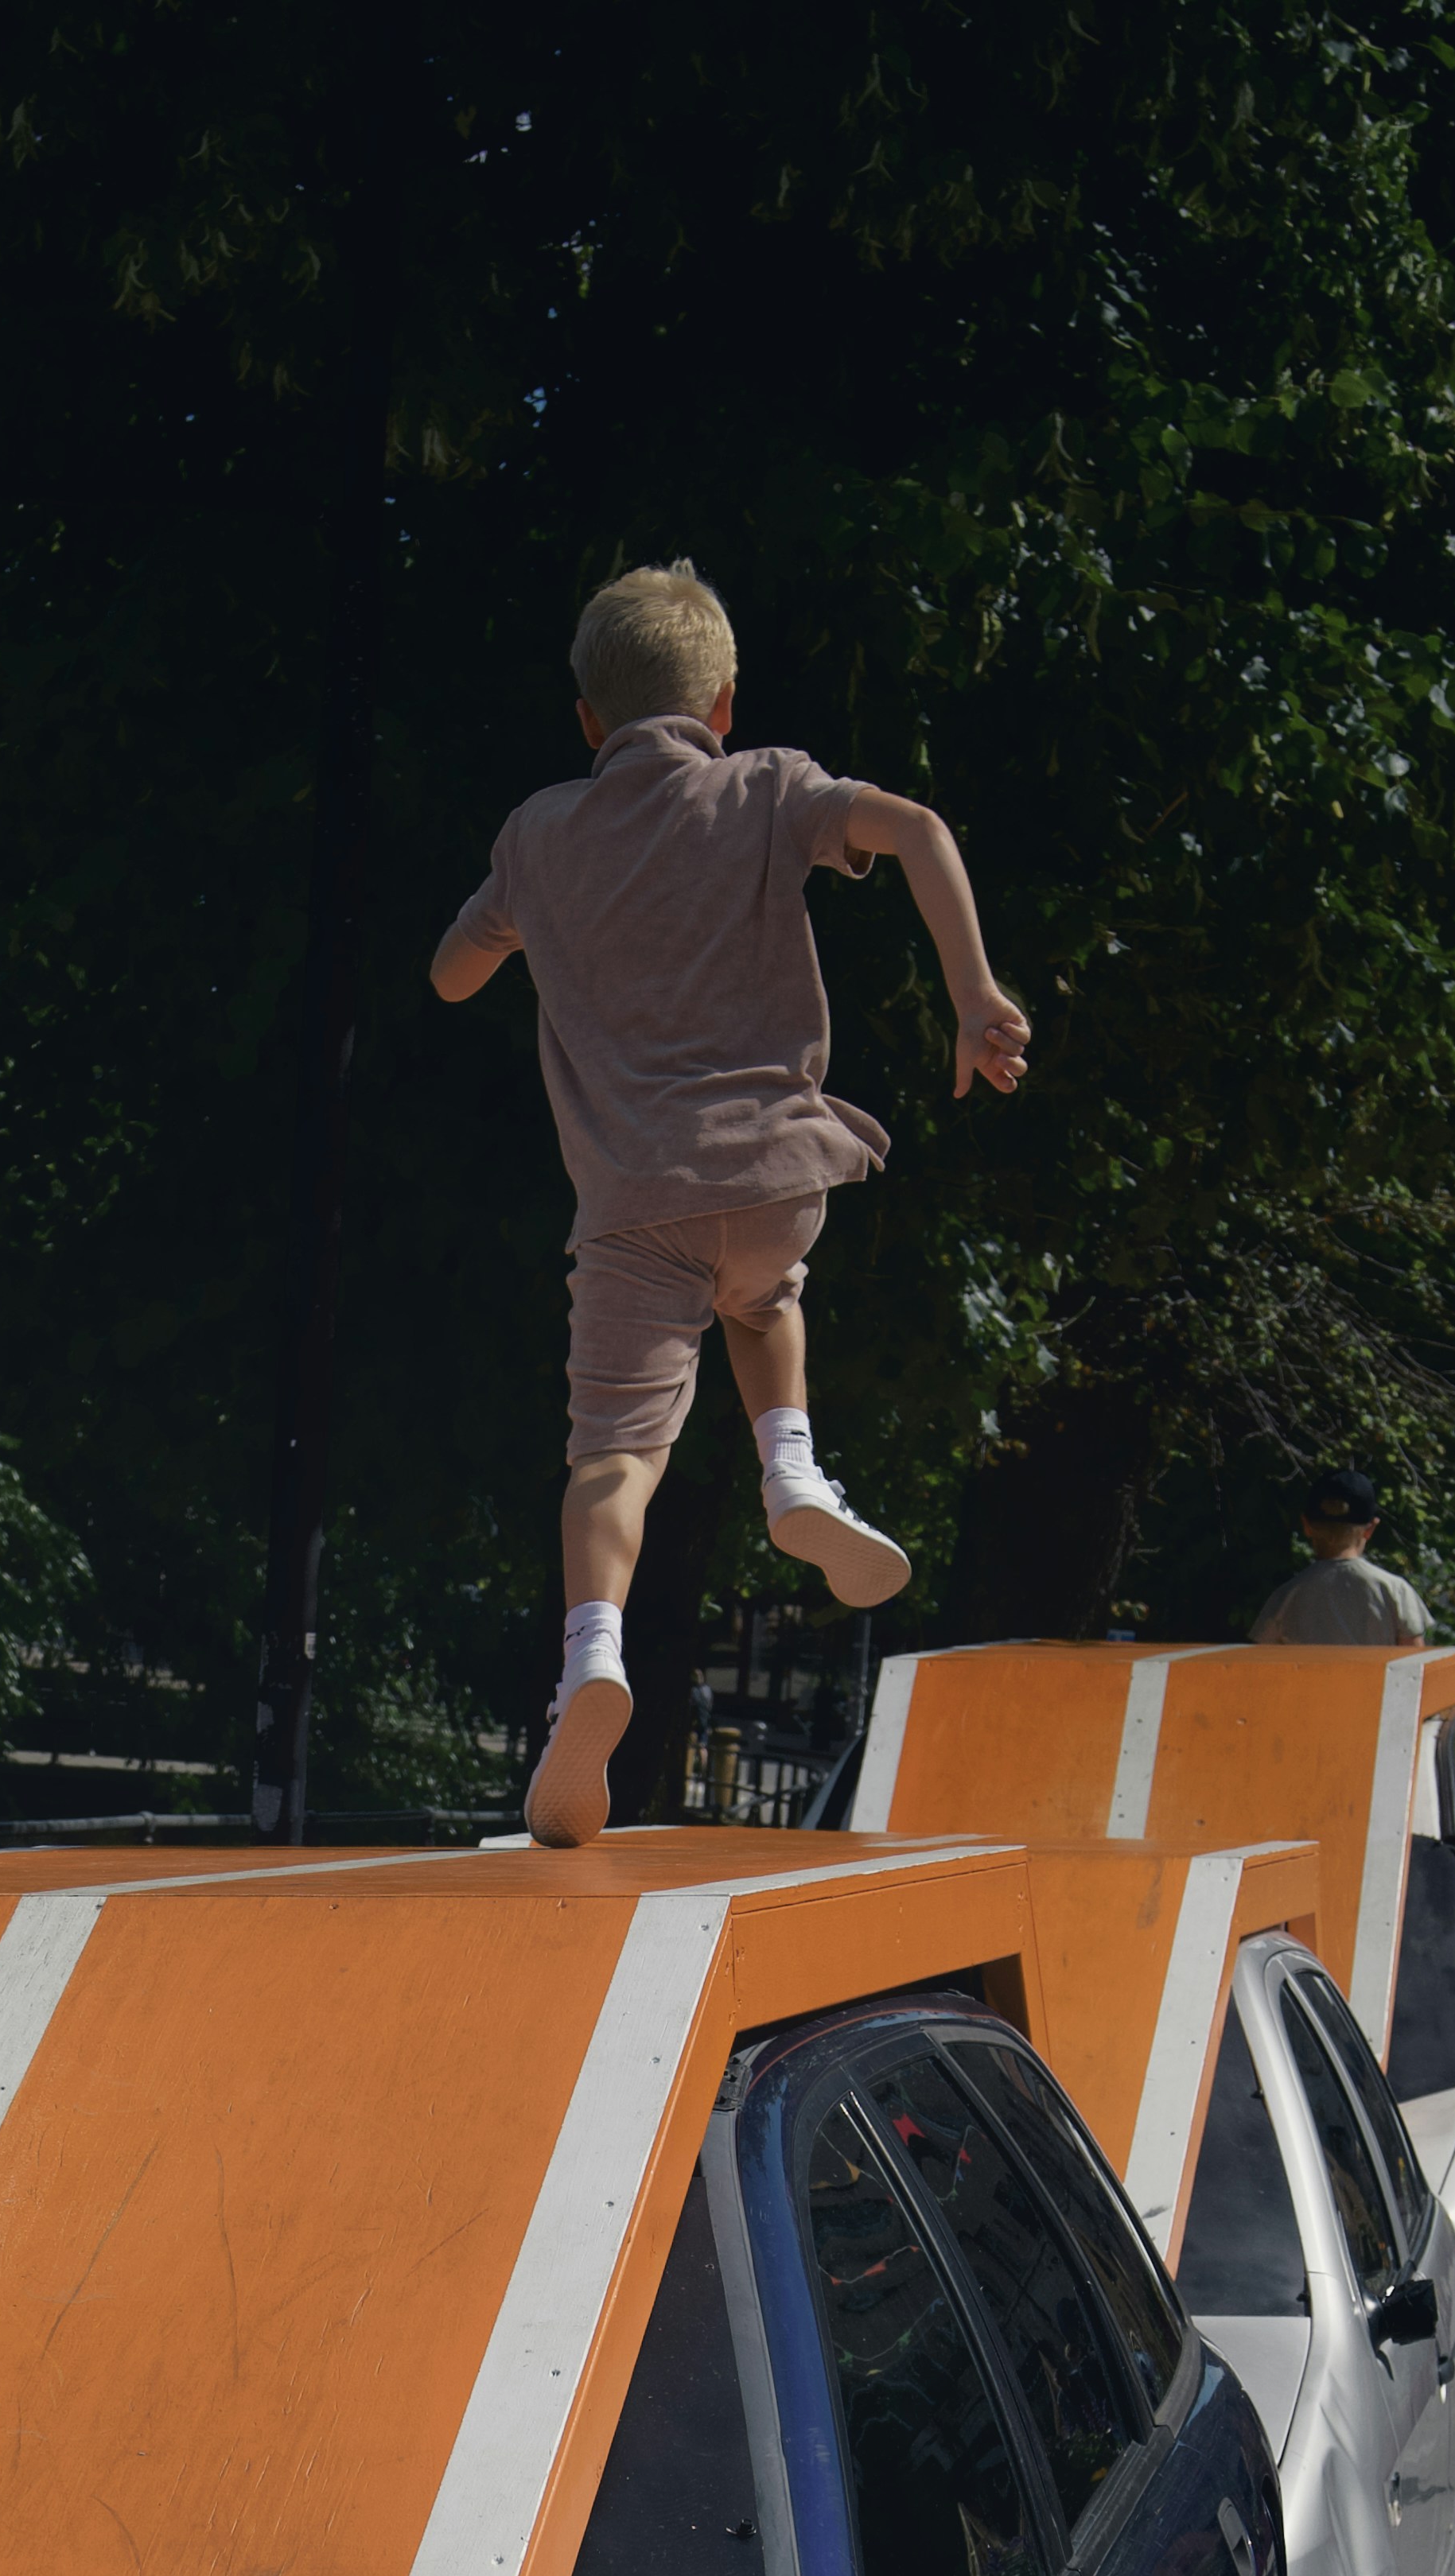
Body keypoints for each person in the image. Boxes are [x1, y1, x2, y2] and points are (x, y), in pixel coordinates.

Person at [431, 559, 1029, 1848]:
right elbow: (916, 826)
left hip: (627, 1205)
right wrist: (974, 999)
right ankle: (789, 1468)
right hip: (769, 1178)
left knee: (611, 1456)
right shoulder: (762, 786)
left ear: (585, 720)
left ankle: (590, 1652)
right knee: (763, 1304)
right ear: (719, 703)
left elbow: (447, 977)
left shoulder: (536, 833)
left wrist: (511, 925)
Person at [1250, 1466, 1434, 1645]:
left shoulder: (1286, 1596)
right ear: (1370, 1529)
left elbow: (1264, 1662)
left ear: (1306, 1525)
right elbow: (1414, 1664)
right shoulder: (1395, 1590)